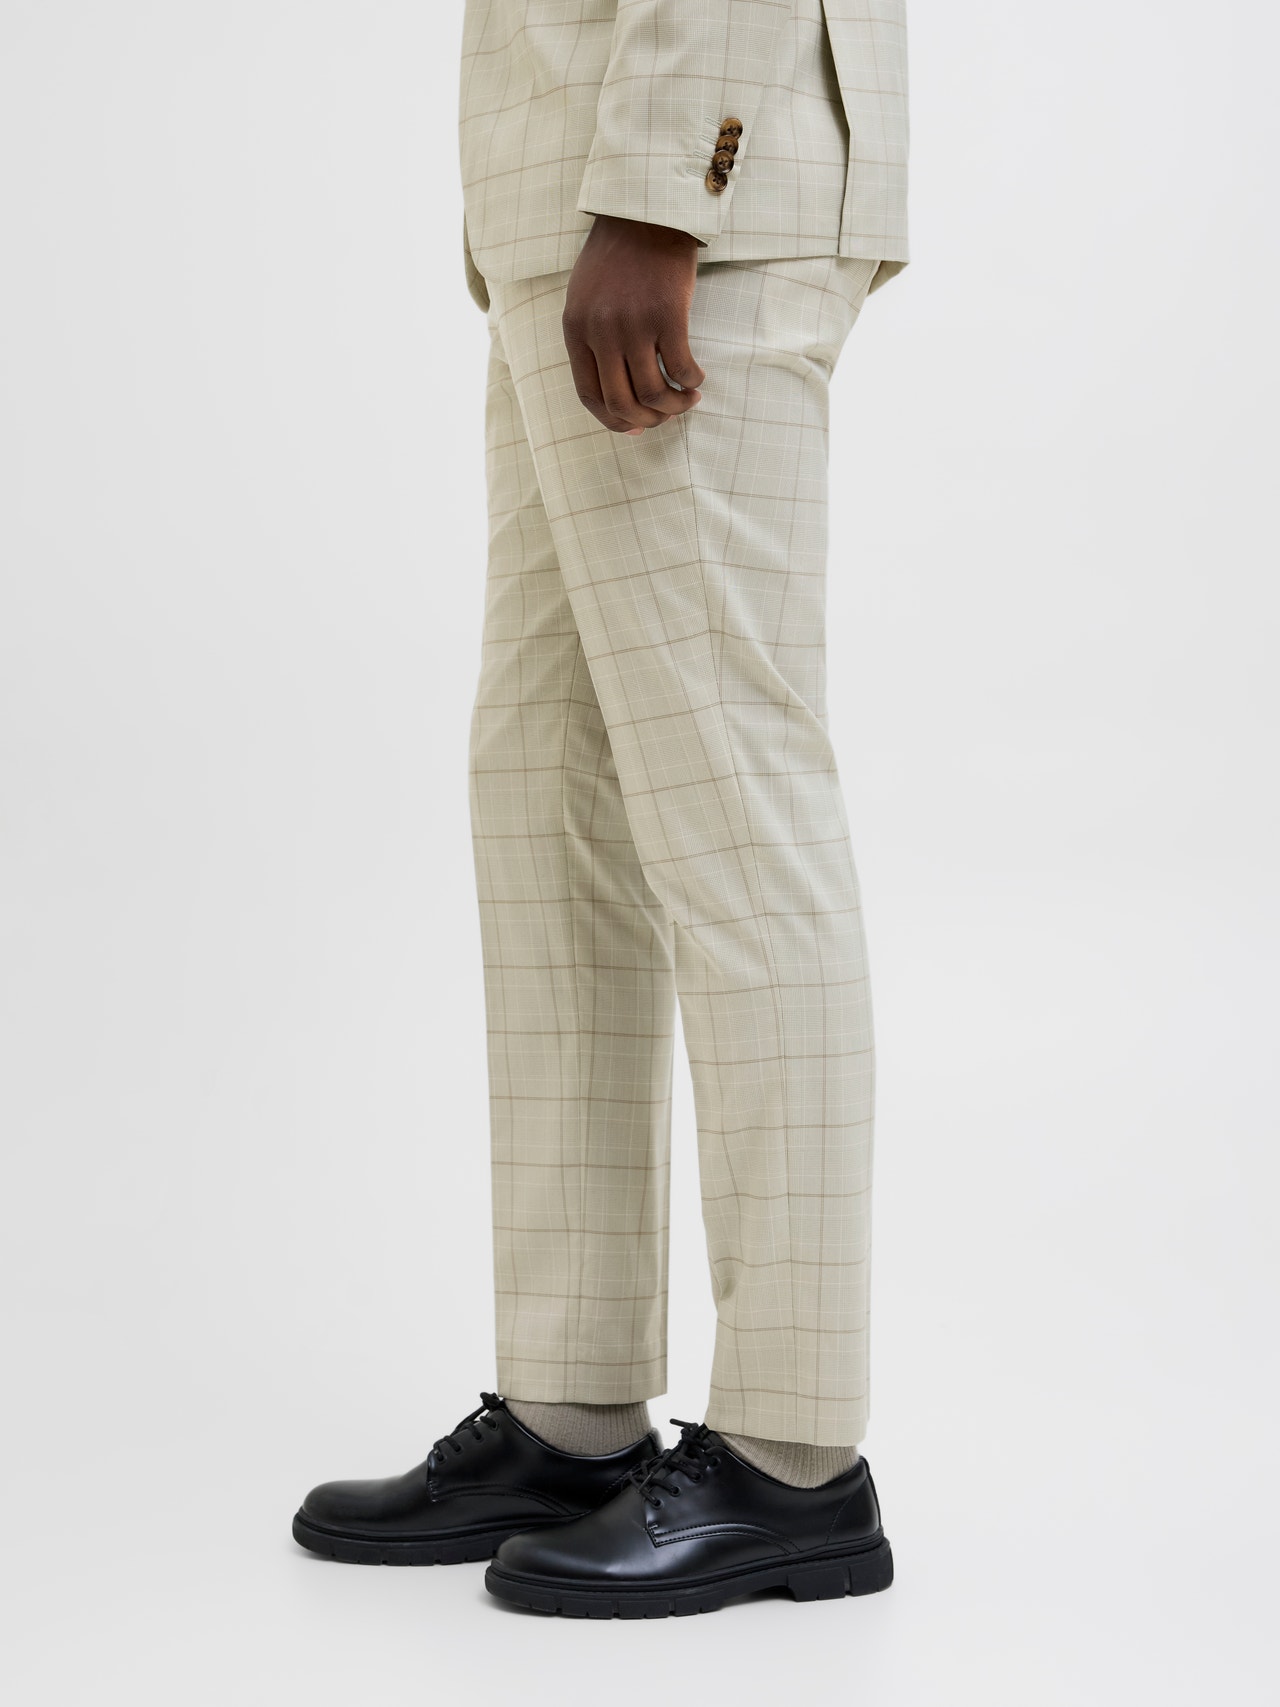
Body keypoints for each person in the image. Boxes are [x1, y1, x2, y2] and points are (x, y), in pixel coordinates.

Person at [292, 0, 909, 1618]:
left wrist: (661, 192)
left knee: (731, 807)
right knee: (549, 799)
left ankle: (792, 1455)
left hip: (687, 210)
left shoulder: (668, 202)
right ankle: (572, 1410)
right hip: (564, 209)